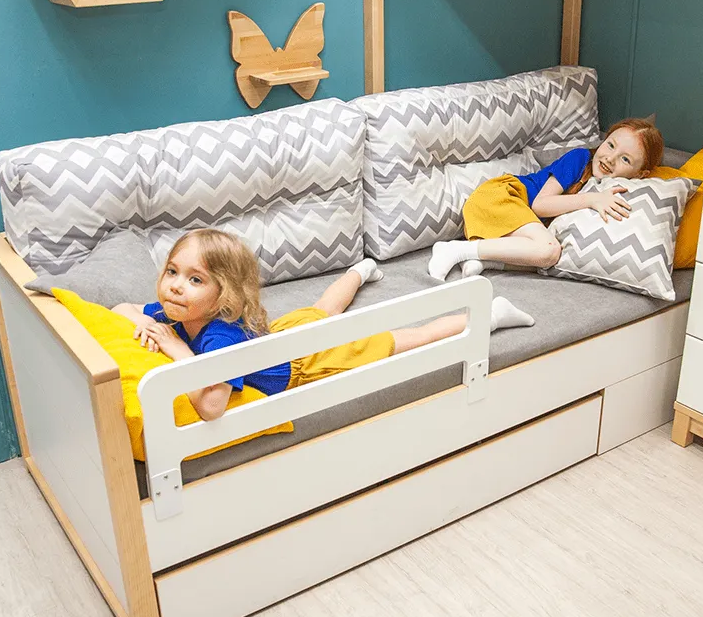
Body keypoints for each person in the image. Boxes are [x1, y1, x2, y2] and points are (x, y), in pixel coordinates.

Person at [113, 229, 534, 422]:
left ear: (224, 297)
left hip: (307, 361)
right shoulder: (178, 311)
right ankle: (360, 272)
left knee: (402, 339)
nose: (175, 286)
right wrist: (147, 324)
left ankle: (490, 314)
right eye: (172, 271)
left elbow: (211, 408)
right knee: (322, 310)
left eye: (195, 280)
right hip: (282, 335)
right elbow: (122, 308)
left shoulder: (220, 337)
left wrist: (175, 349)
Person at [427, 117, 664, 281]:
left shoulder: (615, 187)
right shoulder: (580, 159)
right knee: (550, 251)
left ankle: (484, 259)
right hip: (500, 196)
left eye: (625, 159)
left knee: (553, 259)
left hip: (513, 227)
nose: (610, 158)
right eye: (610, 145)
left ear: (640, 174)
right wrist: (592, 199)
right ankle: (456, 249)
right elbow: (540, 205)